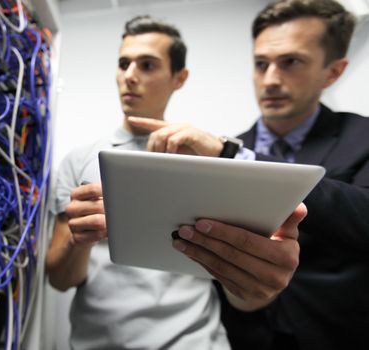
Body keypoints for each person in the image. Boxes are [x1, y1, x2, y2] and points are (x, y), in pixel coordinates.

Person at [46, 15, 305, 349]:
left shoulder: (209, 159)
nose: (130, 76)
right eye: (123, 63)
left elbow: (242, 282)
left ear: (179, 78)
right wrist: (77, 240)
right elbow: (60, 279)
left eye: (147, 65)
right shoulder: (80, 161)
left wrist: (259, 284)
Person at [128, 1, 369, 349]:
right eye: (261, 64)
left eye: (291, 62)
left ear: (332, 71)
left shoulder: (361, 137)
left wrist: (233, 155)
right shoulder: (223, 153)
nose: (270, 79)